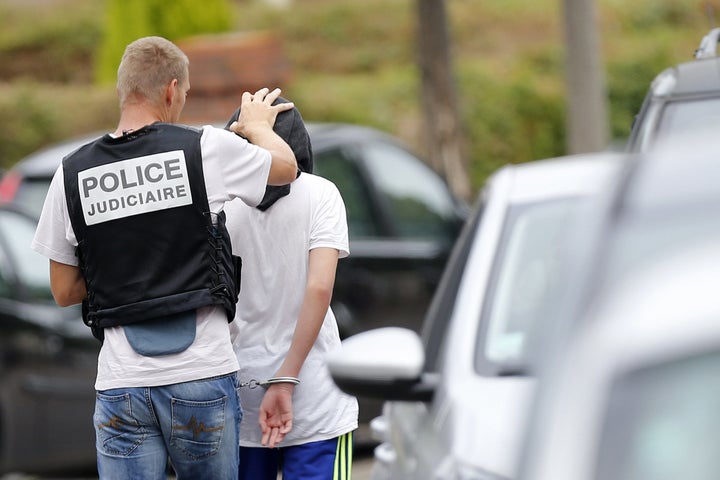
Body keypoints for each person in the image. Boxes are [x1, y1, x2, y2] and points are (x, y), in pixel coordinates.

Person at [30, 36, 298, 480]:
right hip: (201, 374)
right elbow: (285, 167)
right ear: (172, 90)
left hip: (121, 384)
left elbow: (63, 290)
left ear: (123, 89)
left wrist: (122, 270)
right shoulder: (203, 149)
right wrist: (258, 126)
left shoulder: (72, 173)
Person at [223, 101, 359, 480]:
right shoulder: (322, 194)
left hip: (240, 395)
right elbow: (319, 288)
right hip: (315, 395)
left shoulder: (220, 202)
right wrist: (286, 376)